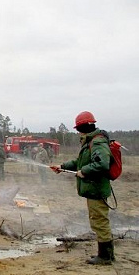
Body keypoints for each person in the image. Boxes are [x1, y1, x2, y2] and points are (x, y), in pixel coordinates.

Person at [50, 111, 114, 265]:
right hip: (92, 189)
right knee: (98, 220)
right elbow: (79, 161)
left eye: (78, 128)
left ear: (83, 126)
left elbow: (102, 164)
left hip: (96, 189)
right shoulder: (89, 142)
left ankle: (105, 257)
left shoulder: (97, 142)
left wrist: (84, 171)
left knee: (99, 221)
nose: (78, 131)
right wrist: (62, 166)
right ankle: (106, 254)